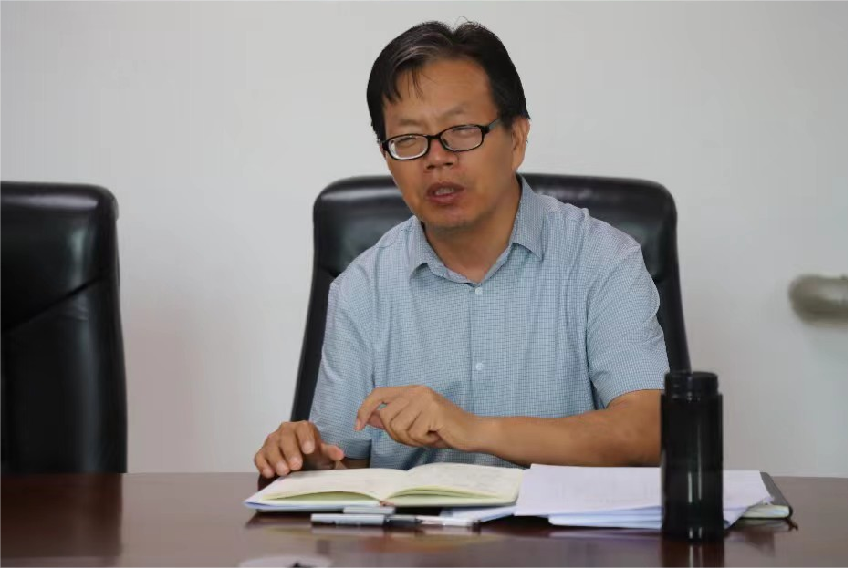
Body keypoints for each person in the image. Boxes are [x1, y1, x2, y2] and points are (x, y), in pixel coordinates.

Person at [255, 21, 669, 478]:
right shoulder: (361, 289)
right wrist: (305, 459)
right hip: (413, 525)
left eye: (462, 130)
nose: (437, 157)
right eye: (408, 140)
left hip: (556, 525)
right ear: (388, 157)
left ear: (517, 138)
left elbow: (648, 431)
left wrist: (474, 430)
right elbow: (344, 466)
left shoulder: (602, 259)